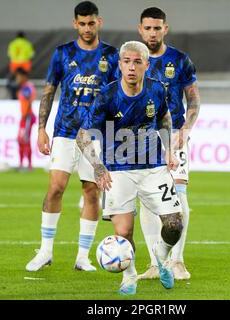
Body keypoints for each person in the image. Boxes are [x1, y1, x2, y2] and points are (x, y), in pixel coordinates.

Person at [76, 41, 183, 295]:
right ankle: (130, 275)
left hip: (154, 166)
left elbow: (164, 118)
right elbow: (83, 135)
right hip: (118, 170)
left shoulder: (156, 89)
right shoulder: (107, 95)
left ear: (147, 64)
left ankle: (161, 254)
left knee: (174, 225)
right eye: (126, 61)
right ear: (119, 64)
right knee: (124, 232)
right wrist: (98, 167)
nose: (131, 67)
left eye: (137, 62)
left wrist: (168, 149)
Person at [25, 1, 119, 272]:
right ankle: (45, 251)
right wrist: (41, 128)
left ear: (98, 22)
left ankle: (82, 257)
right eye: (82, 23)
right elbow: (49, 90)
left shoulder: (111, 56)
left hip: (96, 135)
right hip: (65, 131)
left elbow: (114, 97)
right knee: (55, 188)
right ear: (75, 24)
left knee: (91, 192)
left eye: (91, 23)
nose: (87, 28)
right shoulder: (62, 53)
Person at [135, 7, 200, 281]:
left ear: (165, 29)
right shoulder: (132, 59)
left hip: (174, 137)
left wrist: (186, 128)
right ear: (140, 29)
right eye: (148, 28)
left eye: (157, 28)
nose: (152, 33)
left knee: (180, 197)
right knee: (149, 202)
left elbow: (193, 101)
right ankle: (154, 262)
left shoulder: (180, 60)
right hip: (141, 138)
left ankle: (178, 260)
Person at [15, 68, 36, 171]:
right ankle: (21, 164)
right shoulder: (24, 87)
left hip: (27, 117)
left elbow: (29, 101)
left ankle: (28, 165)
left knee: (25, 140)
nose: (17, 78)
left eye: (18, 76)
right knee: (21, 140)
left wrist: (26, 113)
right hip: (24, 117)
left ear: (24, 77)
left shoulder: (27, 87)